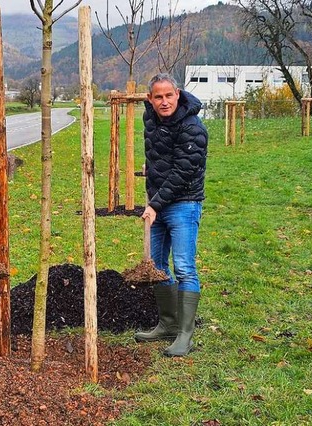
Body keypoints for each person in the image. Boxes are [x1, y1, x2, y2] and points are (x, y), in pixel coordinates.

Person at [135, 73, 208, 357]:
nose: (164, 102)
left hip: (183, 204)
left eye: (168, 96)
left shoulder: (193, 127)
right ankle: (167, 323)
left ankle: (185, 335)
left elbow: (183, 171)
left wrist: (154, 204)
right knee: (156, 265)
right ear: (150, 99)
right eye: (158, 97)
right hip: (158, 202)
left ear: (177, 94)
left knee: (184, 267)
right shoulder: (151, 119)